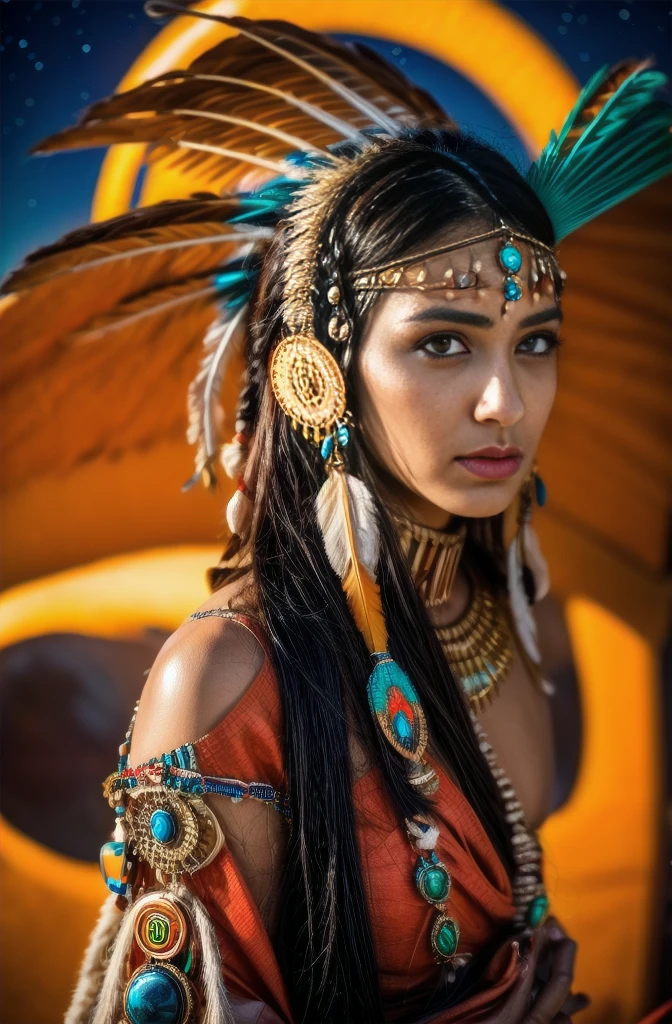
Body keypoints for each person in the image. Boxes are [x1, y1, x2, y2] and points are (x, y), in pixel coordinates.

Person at [4, 8, 669, 1024]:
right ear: (318, 374)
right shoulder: (222, 683)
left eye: (534, 340)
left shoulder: (508, 632)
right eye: (444, 343)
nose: (507, 402)